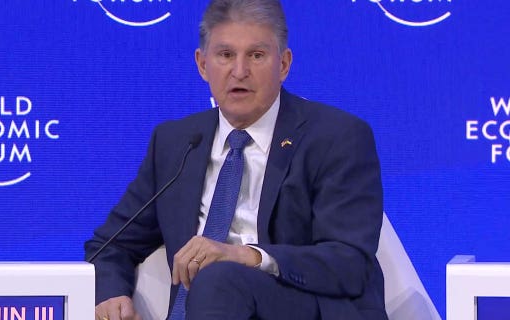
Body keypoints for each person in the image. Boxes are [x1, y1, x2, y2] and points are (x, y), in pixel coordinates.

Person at [85, 0, 387, 319]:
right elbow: (109, 245)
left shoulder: (336, 137)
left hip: (303, 306)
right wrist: (112, 294)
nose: (239, 71)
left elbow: (349, 262)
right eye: (226, 55)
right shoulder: (176, 143)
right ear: (203, 65)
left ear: (283, 64)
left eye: (256, 55)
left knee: (219, 278)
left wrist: (248, 256)